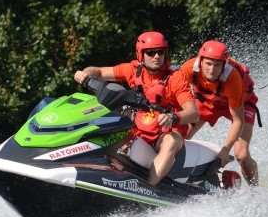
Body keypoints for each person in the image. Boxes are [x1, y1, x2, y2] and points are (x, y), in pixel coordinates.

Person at [74, 31, 198, 186]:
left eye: (160, 52)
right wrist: (85, 73)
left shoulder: (175, 78)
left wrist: (173, 118)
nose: (156, 56)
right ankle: (86, 170)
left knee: (172, 141)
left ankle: (150, 189)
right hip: (136, 131)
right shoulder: (133, 70)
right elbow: (99, 72)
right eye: (151, 53)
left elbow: (193, 113)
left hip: (163, 135)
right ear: (140, 54)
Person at [178, 40, 259, 185]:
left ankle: (255, 190)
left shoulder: (232, 78)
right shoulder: (188, 68)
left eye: (217, 65)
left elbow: (238, 120)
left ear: (224, 64)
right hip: (207, 103)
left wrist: (225, 150)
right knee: (181, 136)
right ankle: (180, 177)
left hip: (241, 105)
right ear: (201, 61)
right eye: (208, 64)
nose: (212, 70)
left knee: (242, 154)